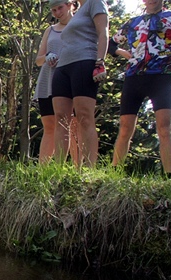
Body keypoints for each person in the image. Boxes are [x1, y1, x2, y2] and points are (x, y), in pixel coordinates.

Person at [110, 0, 171, 174]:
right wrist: (125, 54)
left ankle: (168, 176)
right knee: (125, 127)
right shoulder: (133, 23)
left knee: (165, 127)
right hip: (133, 78)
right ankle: (114, 173)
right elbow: (111, 44)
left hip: (161, 77)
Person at [51, 0, 109, 167]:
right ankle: (58, 168)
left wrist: (100, 62)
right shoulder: (78, 12)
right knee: (61, 118)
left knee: (84, 116)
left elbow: (103, 32)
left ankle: (89, 169)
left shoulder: (95, 3)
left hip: (84, 61)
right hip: (62, 67)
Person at [34, 0, 78, 164]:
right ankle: (43, 169)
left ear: (70, 5)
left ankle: (78, 169)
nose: (57, 12)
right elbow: (38, 60)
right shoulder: (50, 30)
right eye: (53, 10)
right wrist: (47, 57)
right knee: (49, 126)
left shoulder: (80, 26)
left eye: (60, 8)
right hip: (48, 81)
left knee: (72, 126)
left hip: (71, 79)